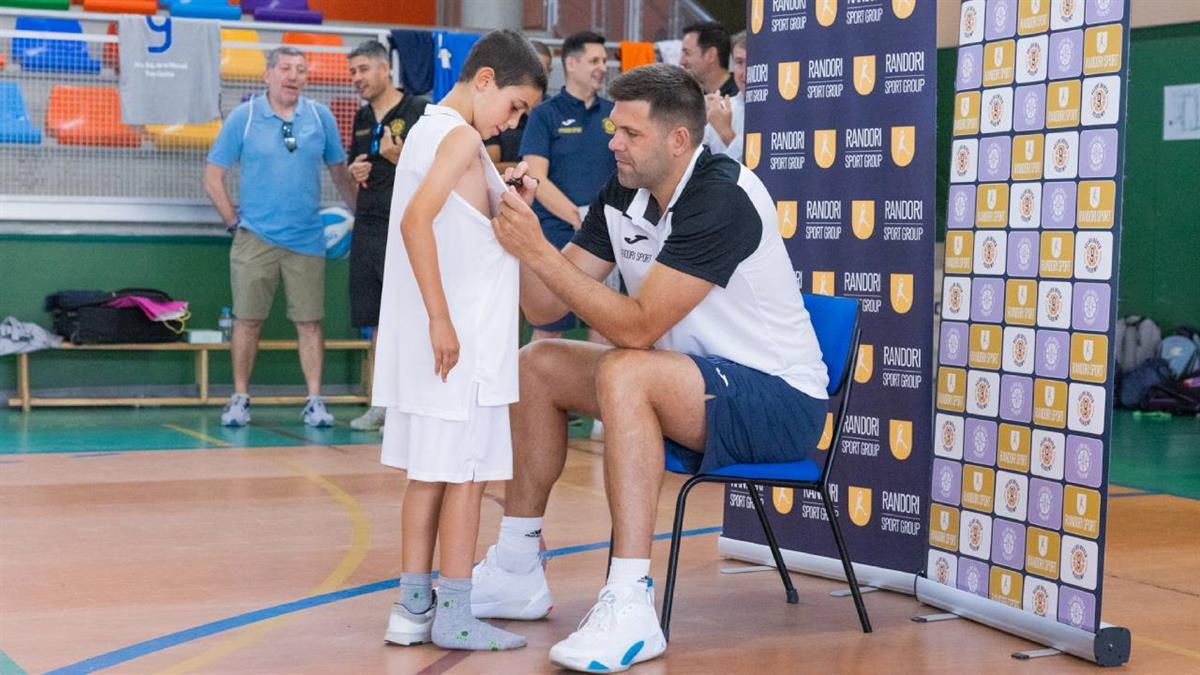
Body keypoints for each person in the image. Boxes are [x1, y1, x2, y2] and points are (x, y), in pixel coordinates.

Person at [477, 64, 830, 672]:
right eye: (614, 128)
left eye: (630, 133)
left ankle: (630, 600)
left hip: (779, 403)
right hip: (690, 383)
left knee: (626, 368)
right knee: (538, 364)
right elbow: (544, 306)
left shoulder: (724, 196)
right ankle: (515, 566)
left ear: (678, 141)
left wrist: (539, 249)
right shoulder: (622, 190)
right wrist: (515, 240)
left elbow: (637, 327)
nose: (612, 142)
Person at [371, 29, 546, 652]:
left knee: (428, 475)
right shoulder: (462, 135)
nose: (515, 121)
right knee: (466, 479)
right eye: (516, 105)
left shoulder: (426, 127)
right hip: (461, 343)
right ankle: (455, 611)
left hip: (438, 347)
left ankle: (411, 605)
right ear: (485, 80)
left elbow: (461, 226)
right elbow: (418, 220)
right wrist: (442, 319)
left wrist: (508, 194)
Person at [204, 46, 358, 428]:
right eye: (286, 68)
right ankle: (239, 398)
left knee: (310, 322)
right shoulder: (246, 116)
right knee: (247, 321)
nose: (293, 76)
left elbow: (340, 173)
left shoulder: (320, 118)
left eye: (301, 70)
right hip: (255, 237)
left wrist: (362, 215)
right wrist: (231, 221)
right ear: (267, 74)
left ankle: (315, 401)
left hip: (307, 240)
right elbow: (212, 176)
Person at [344, 40, 430, 432]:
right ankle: (381, 404)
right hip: (369, 226)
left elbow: (435, 168)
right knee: (377, 320)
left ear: (385, 69)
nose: (357, 78)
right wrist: (357, 172)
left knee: (411, 318)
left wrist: (402, 158)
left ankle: (413, 405)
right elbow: (356, 165)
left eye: (363, 69)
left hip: (407, 228)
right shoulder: (361, 117)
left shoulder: (419, 111)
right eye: (353, 72)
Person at [518, 31, 616, 343]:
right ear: (571, 64)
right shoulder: (546, 114)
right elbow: (536, 177)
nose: (603, 66)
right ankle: (536, 393)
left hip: (606, 237)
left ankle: (598, 394)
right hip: (557, 234)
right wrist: (579, 218)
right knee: (549, 327)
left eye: (604, 60)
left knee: (605, 325)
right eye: (594, 60)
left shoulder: (616, 113)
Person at [485, 40, 552, 173]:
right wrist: (534, 167)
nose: (537, 77)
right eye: (533, 70)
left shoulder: (555, 111)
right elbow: (489, 166)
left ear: (549, 72)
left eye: (543, 71)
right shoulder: (500, 108)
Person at [703, 30, 746, 161]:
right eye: (739, 62)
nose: (744, 72)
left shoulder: (780, 113)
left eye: (753, 62)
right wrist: (696, 120)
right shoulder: (720, 110)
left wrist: (726, 132)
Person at [678, 21, 737, 97]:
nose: (681, 62)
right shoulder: (692, 97)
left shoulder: (740, 96)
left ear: (711, 55)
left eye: (687, 53)